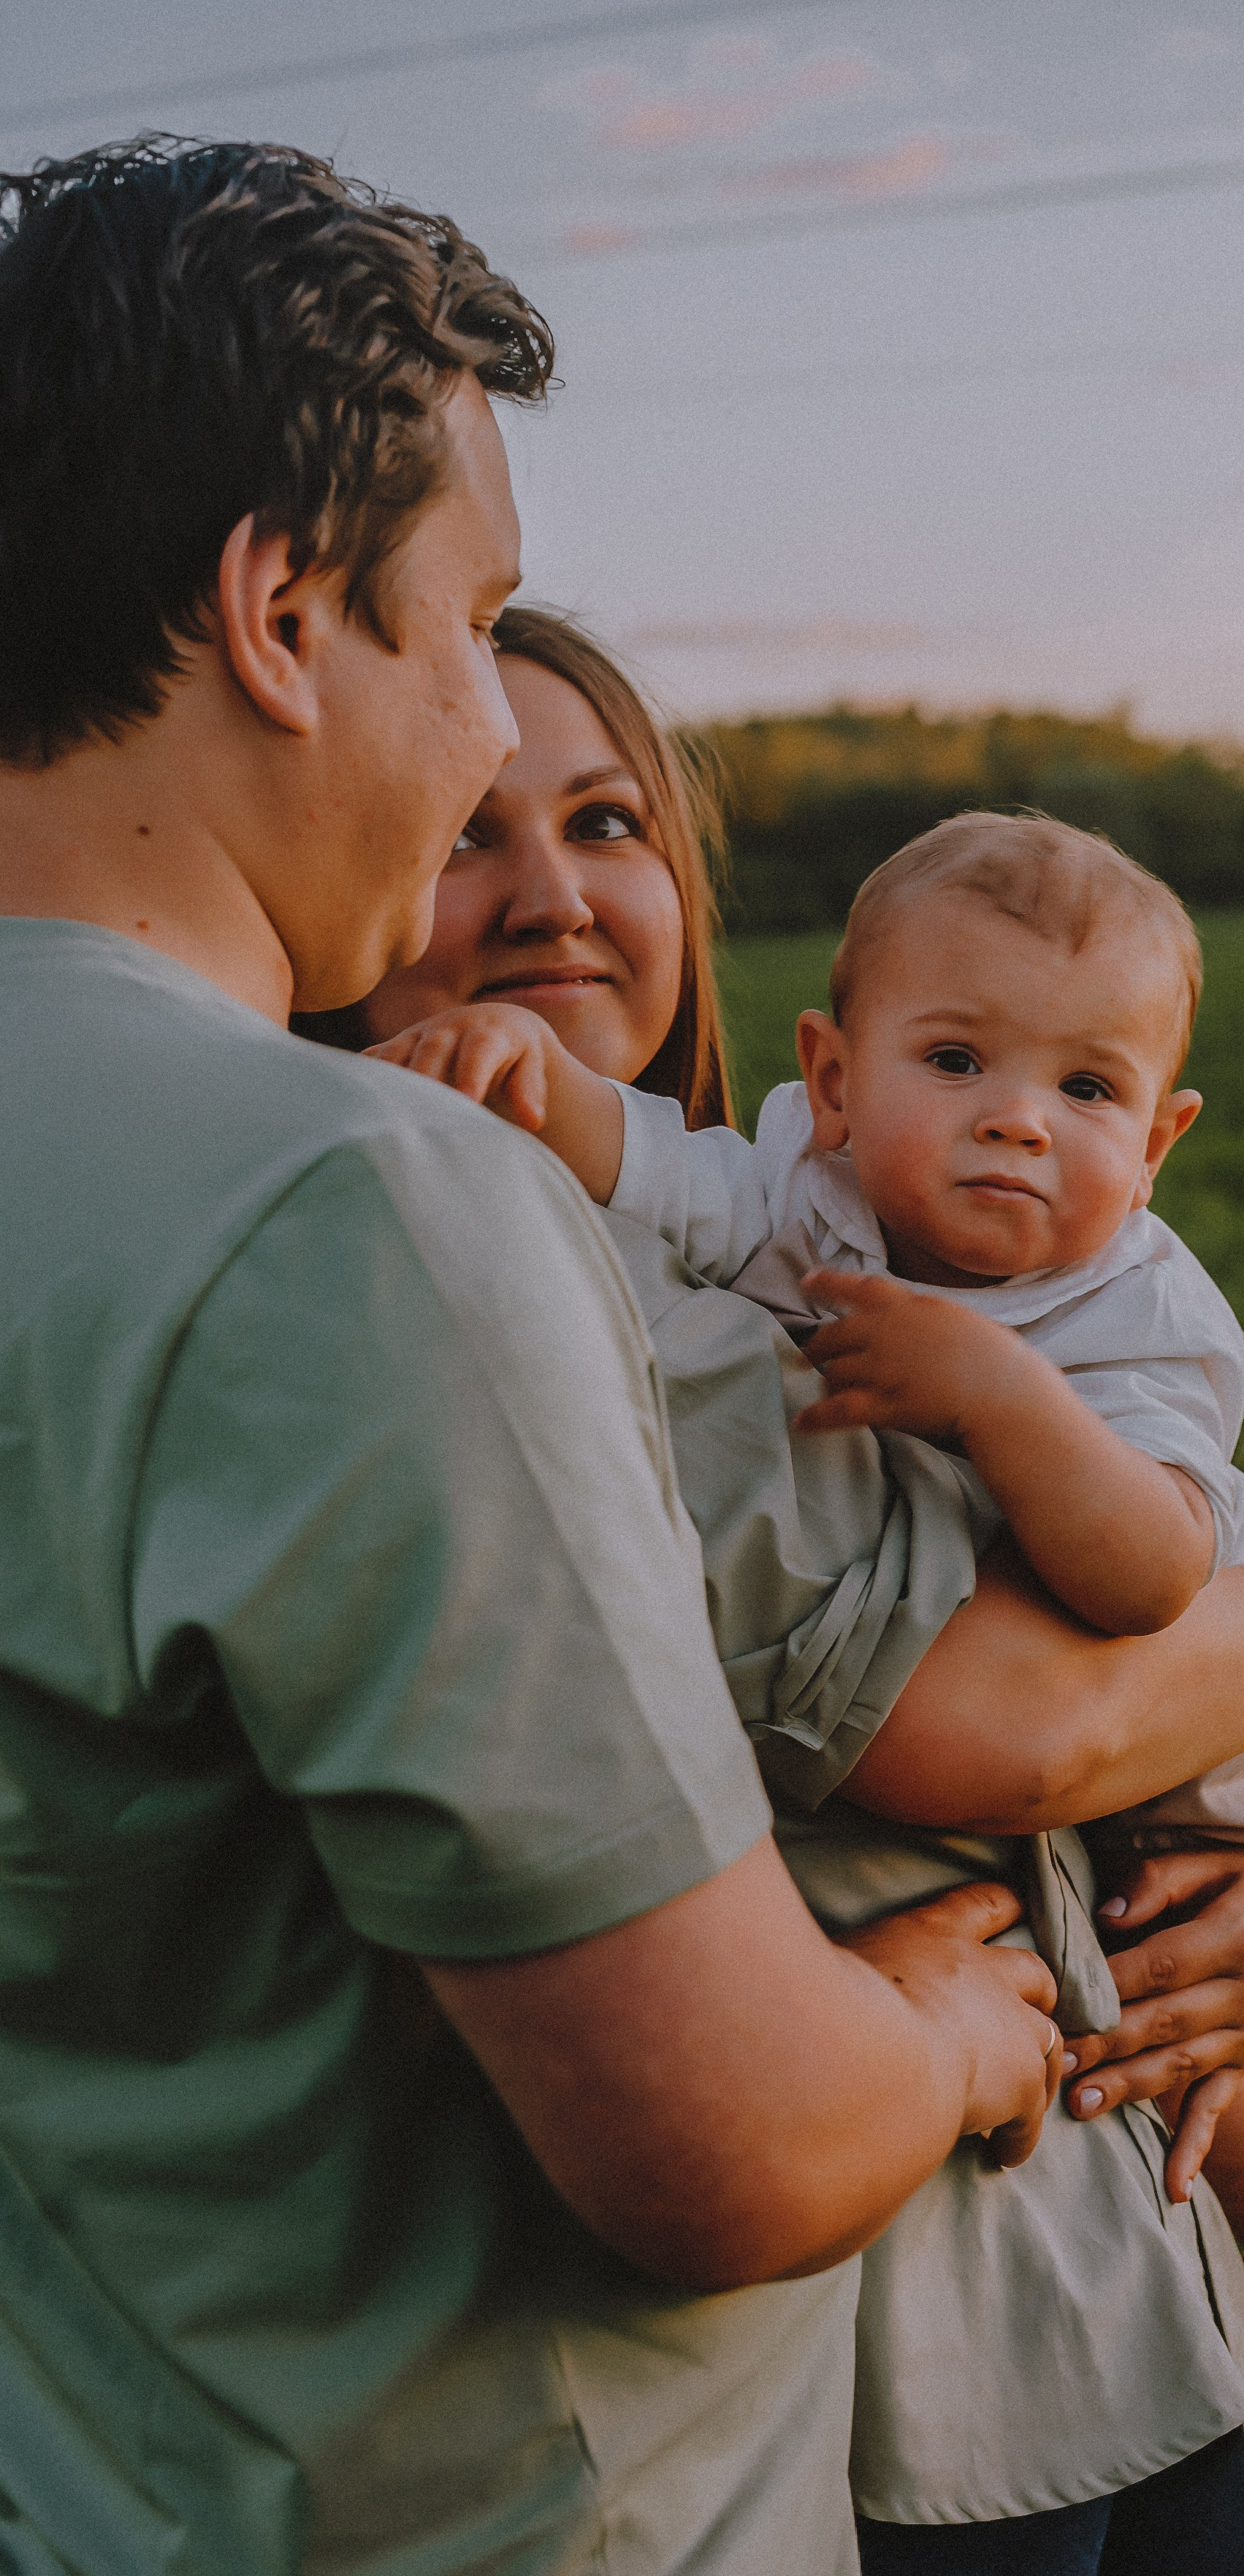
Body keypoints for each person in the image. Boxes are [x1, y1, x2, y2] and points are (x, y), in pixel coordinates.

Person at [0, 139, 1077, 2576]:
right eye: (473, 622)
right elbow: (728, 2147)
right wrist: (937, 2030)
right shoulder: (351, 1204)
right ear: (282, 612)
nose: (488, 718)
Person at [354, 611, 1244, 2567]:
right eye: (468, 827)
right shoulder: (550, 1265)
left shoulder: (951, 1262)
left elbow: (1136, 1622)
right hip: (937, 2304)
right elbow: (1017, 1732)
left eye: (607, 822)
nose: (553, 894)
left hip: (1110, 2236)